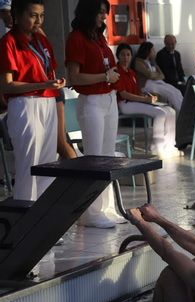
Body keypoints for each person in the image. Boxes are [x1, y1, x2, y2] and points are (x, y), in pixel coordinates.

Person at [66, 0, 125, 228]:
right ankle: (91, 212)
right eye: (100, 12)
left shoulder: (98, 37)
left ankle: (107, 208)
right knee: (94, 158)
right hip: (91, 102)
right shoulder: (76, 38)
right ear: (88, 12)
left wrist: (110, 77)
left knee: (108, 157)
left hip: (109, 99)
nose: (103, 16)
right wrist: (104, 77)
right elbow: (75, 77)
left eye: (104, 12)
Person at [0, 0, 65, 200]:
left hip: (47, 102)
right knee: (28, 168)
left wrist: (54, 83)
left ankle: (45, 225)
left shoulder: (42, 40)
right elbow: (6, 86)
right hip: (24, 105)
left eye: (42, 15)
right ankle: (24, 226)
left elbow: (48, 72)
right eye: (33, 15)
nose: (38, 21)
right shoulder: (8, 42)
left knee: (47, 167)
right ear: (17, 15)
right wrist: (43, 85)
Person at [115, 43, 180, 159]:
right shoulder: (116, 72)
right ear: (117, 56)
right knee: (160, 113)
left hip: (136, 101)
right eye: (123, 55)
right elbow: (123, 94)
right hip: (125, 104)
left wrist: (147, 96)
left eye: (128, 55)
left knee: (170, 111)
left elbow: (136, 92)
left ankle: (170, 146)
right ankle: (157, 148)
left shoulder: (131, 72)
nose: (126, 58)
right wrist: (143, 99)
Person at [134, 42, 183, 113]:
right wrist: (155, 75)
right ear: (147, 51)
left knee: (176, 91)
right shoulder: (138, 62)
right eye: (152, 50)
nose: (154, 51)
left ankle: (185, 111)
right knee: (170, 93)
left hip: (157, 82)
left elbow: (162, 75)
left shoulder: (152, 61)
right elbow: (149, 75)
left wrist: (154, 75)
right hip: (146, 85)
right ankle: (182, 113)